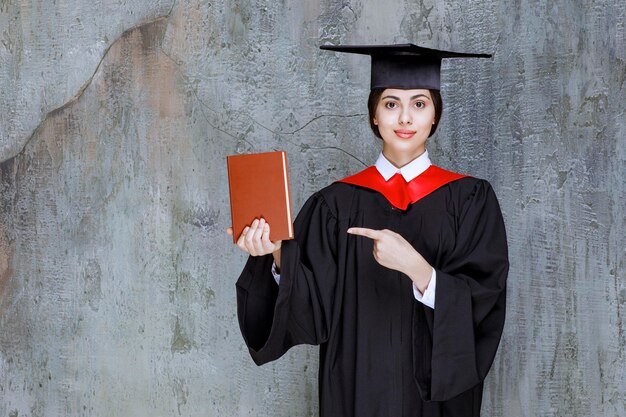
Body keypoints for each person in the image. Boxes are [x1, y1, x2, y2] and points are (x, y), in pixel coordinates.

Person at [227, 44, 508, 417]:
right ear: (374, 114)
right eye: (391, 104)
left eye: (419, 104)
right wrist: (277, 254)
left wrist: (419, 270)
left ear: (435, 113)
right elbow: (311, 315)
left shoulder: (471, 200)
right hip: (355, 390)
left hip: (436, 402)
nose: (405, 118)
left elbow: (485, 300)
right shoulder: (335, 204)